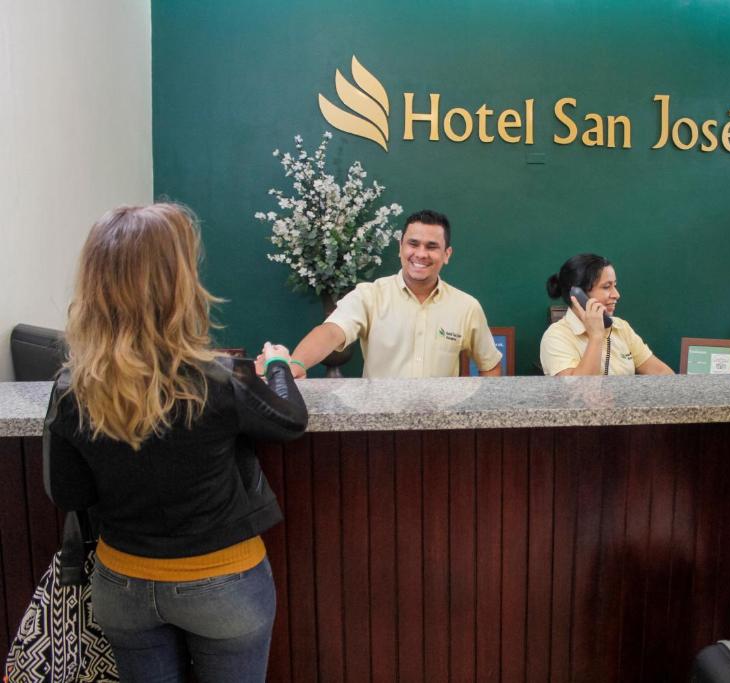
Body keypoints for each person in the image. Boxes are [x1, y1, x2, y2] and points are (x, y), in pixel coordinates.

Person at [43, 204, 308, 683]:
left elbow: (70, 495)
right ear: (177, 284)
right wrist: (278, 366)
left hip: (123, 587)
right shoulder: (220, 379)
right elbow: (290, 421)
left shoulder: (71, 388)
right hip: (224, 585)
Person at [286, 209, 503, 378]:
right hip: (379, 427)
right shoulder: (369, 296)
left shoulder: (466, 307)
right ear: (400, 248)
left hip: (440, 429)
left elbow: (490, 365)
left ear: (446, 254)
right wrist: (295, 365)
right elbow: (332, 332)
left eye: (432, 246)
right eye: (413, 244)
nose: (420, 254)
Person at [540, 253, 674, 376]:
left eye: (615, 285)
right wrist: (596, 336)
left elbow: (661, 371)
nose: (616, 295)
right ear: (577, 294)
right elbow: (580, 392)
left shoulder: (620, 327)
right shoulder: (555, 337)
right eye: (606, 287)